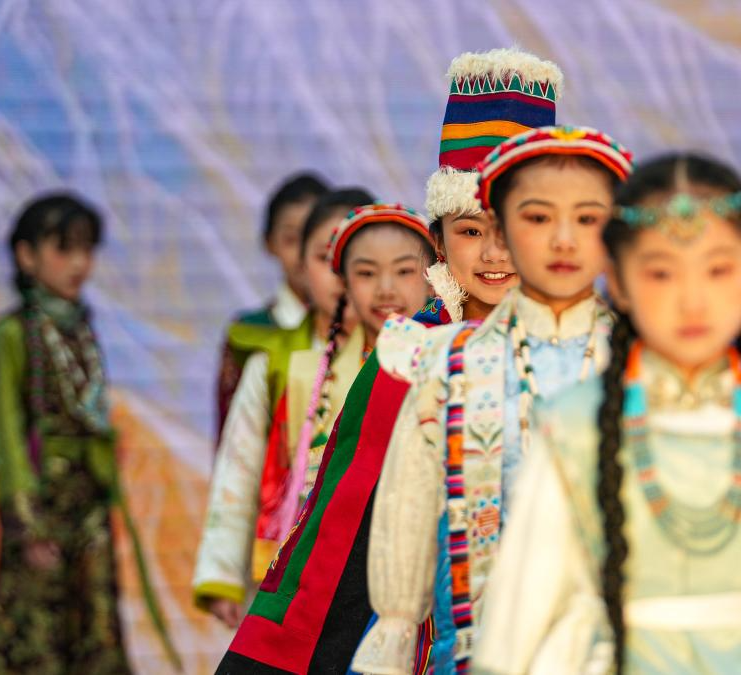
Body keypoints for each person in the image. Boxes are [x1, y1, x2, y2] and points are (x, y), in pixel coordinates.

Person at [216, 47, 563, 675]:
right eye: (470, 230)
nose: (493, 253)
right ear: (437, 241)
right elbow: (337, 540)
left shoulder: (586, 350)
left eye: (514, 227)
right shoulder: (410, 357)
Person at [474, 153, 741, 674]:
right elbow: (518, 620)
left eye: (717, 270)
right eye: (661, 273)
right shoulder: (576, 429)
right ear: (617, 281)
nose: (693, 301)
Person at [352, 126, 634, 674]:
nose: (562, 241)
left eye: (585, 220)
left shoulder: (641, 365)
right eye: (537, 219)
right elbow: (403, 523)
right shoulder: (443, 360)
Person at [0, 193, 178, 674]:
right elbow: (6, 432)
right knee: (32, 630)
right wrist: (26, 521)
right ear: (26, 255)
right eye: (64, 249)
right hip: (42, 503)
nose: (79, 263)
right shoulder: (12, 333)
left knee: (95, 625)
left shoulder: (81, 327)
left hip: (89, 503)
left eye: (86, 249)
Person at [194, 188, 371, 627]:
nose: (342, 275)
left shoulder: (404, 355)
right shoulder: (272, 362)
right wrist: (222, 573)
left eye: (358, 260)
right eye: (326, 258)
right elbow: (239, 465)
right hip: (291, 562)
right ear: (301, 267)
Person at [216, 173, 329, 447]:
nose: (304, 253)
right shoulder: (249, 331)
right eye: (291, 239)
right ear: (269, 243)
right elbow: (233, 442)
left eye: (315, 239)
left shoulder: (360, 325)